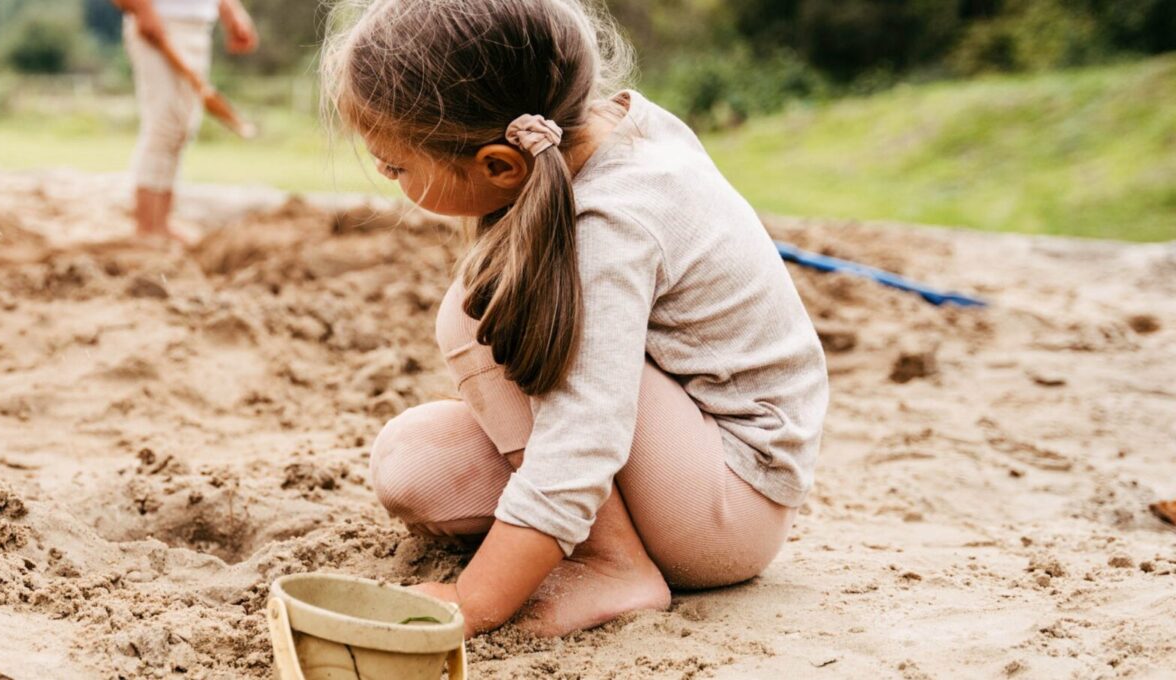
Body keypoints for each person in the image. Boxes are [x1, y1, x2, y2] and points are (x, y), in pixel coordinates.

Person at [323, 0, 830, 637]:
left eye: (395, 166)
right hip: (674, 465)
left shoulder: (611, 223)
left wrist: (475, 600)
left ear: (501, 166)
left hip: (726, 499)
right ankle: (593, 544)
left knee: (484, 307)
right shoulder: (599, 130)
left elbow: (586, 434)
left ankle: (611, 562)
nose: (384, 175)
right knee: (416, 464)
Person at [114, 0, 257, 242]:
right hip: (162, 24)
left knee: (182, 128)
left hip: (198, 26)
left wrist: (231, 11)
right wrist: (143, 9)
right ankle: (147, 226)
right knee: (164, 126)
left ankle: (161, 223)